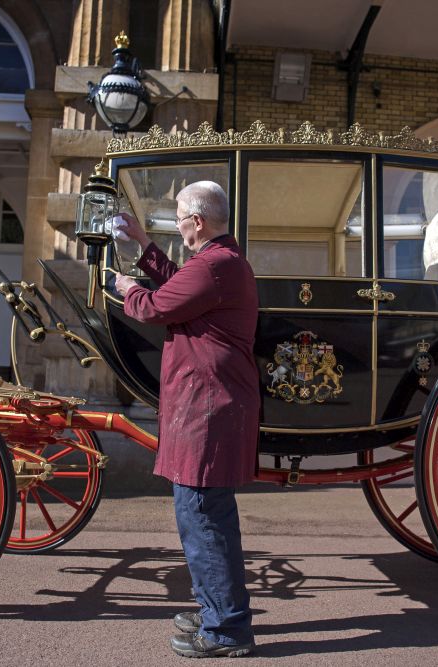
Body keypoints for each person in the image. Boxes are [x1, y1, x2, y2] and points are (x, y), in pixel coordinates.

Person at [113, 181, 260, 659]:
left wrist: (128, 289)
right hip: (208, 407)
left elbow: (158, 305)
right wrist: (143, 244)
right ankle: (218, 610)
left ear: (196, 222)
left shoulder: (216, 267)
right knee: (205, 518)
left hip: (207, 410)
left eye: (179, 219)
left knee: (203, 520)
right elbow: (181, 284)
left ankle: (226, 630)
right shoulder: (220, 264)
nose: (177, 226)